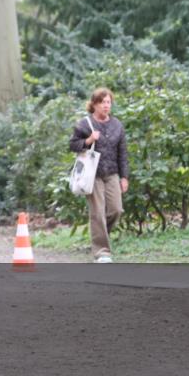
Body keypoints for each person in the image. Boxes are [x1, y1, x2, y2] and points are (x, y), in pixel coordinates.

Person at [69, 87, 129, 263]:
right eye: (102, 102)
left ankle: (100, 236)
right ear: (94, 104)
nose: (106, 105)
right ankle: (102, 252)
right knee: (97, 213)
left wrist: (124, 177)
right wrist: (88, 140)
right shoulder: (84, 124)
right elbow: (72, 145)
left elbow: (123, 153)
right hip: (92, 174)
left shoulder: (117, 125)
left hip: (112, 174)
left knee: (116, 210)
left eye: (108, 102)